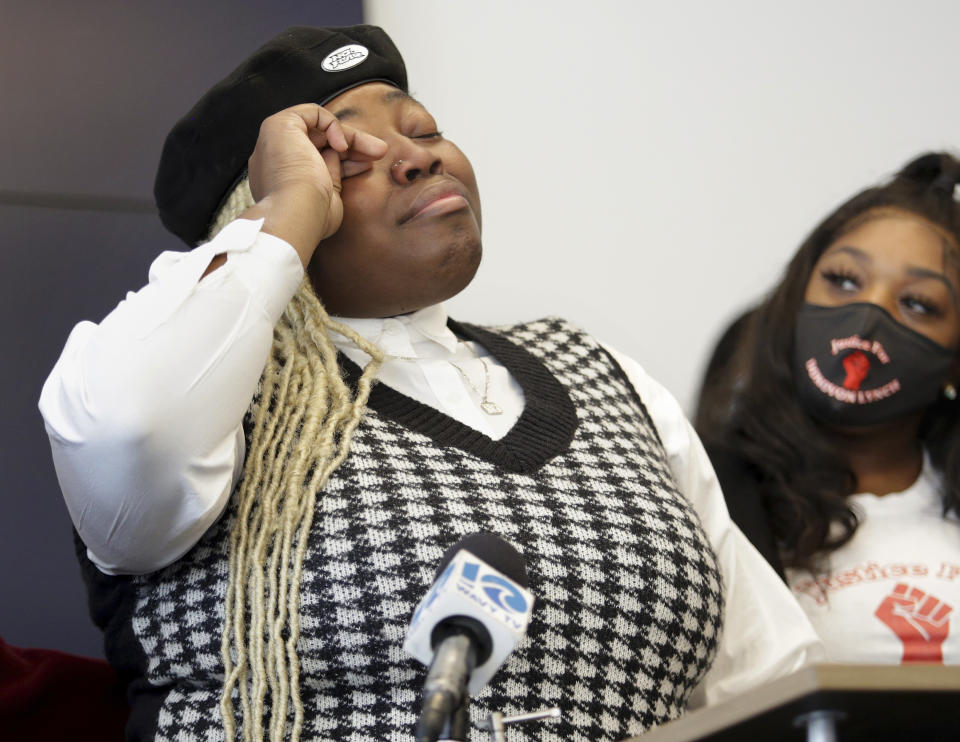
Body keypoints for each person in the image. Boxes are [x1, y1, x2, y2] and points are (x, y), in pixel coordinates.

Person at [39, 25, 819, 742]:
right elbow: (132, 432)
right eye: (346, 157)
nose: (419, 157)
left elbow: (772, 681)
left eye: (422, 130)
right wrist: (289, 212)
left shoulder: (603, 373)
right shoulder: (207, 398)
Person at [695, 152, 960, 665]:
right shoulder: (710, 494)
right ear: (794, 299)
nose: (867, 318)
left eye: (918, 303)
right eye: (843, 279)